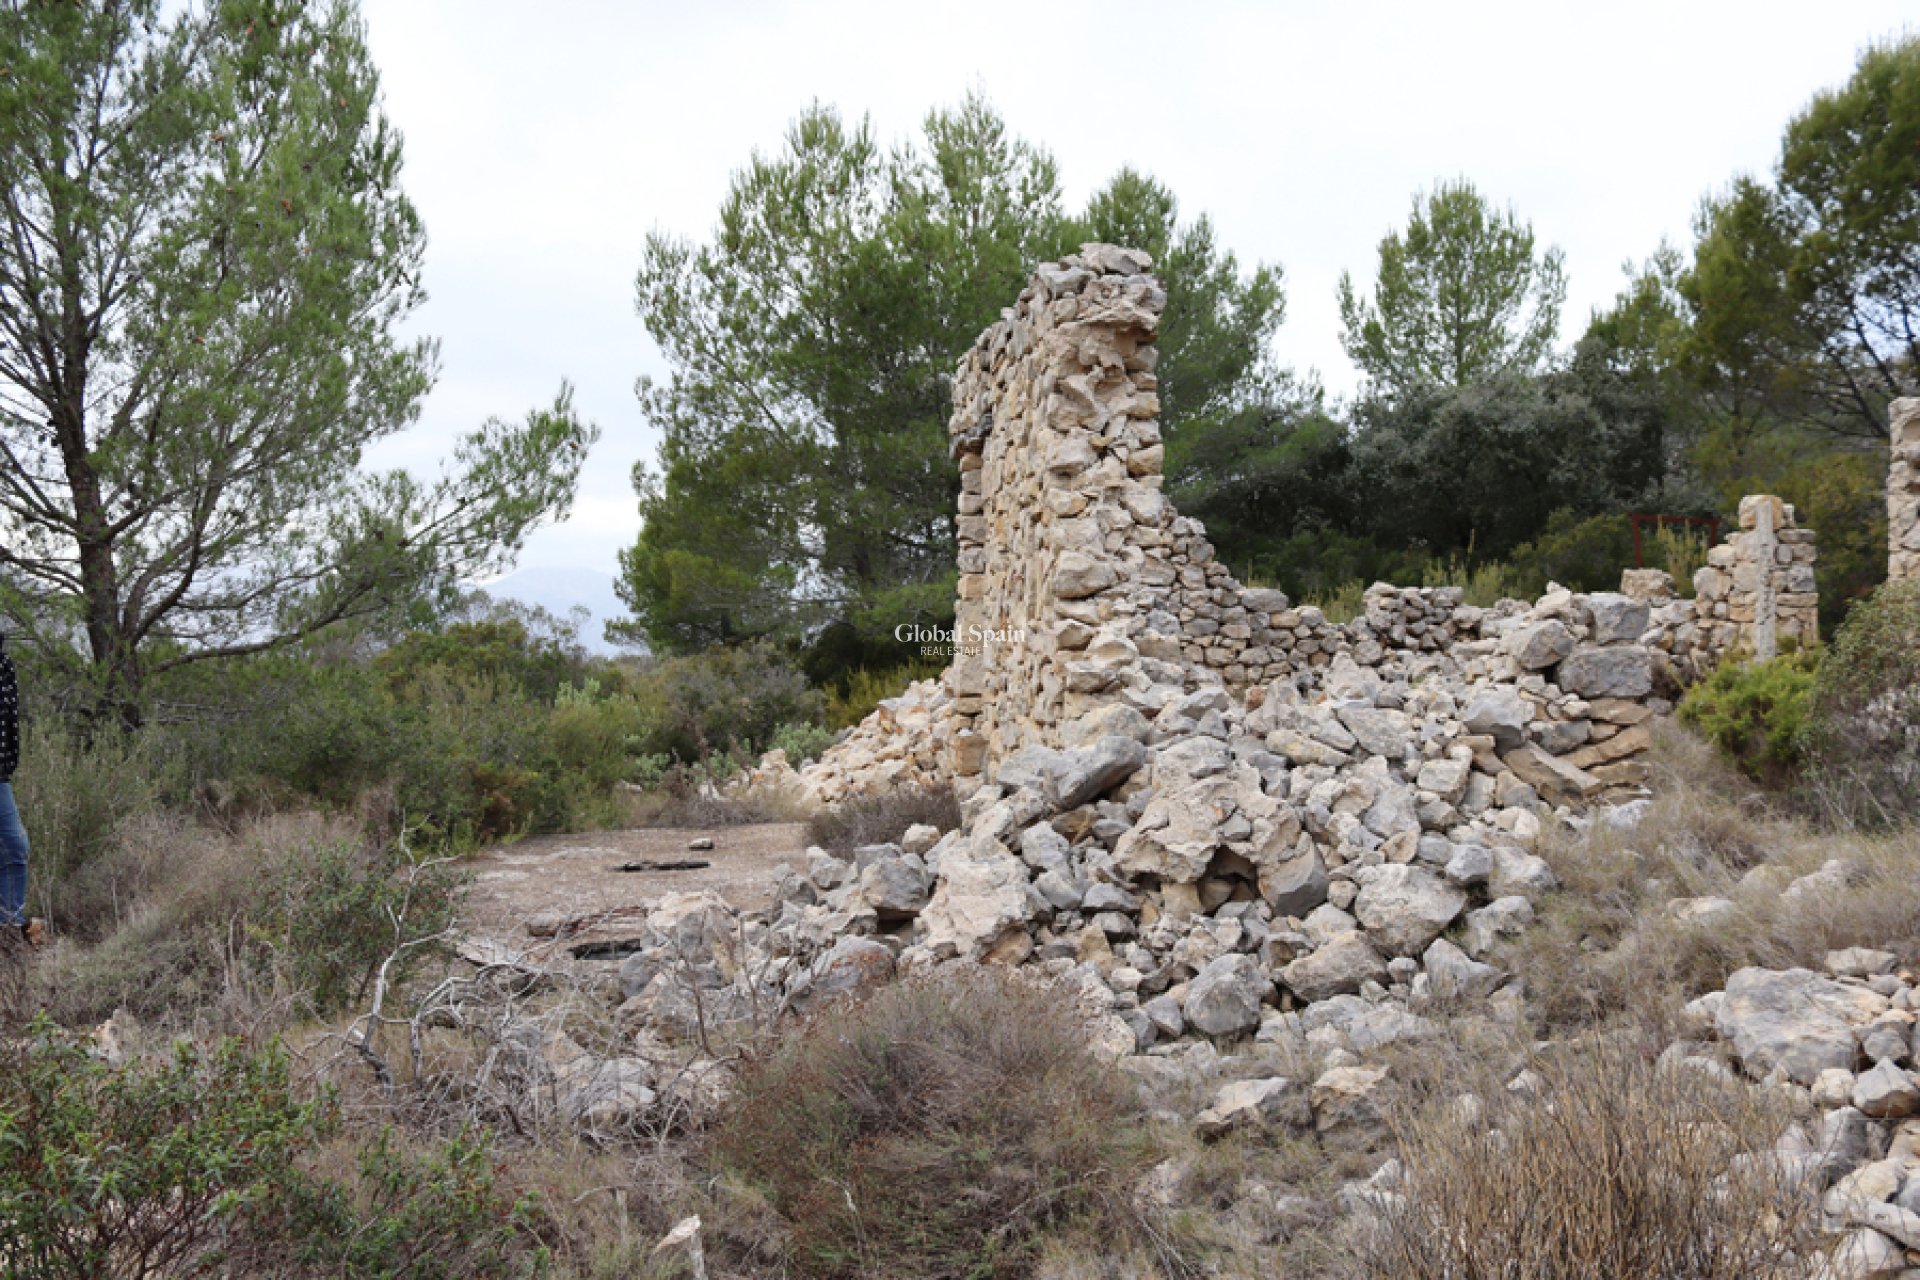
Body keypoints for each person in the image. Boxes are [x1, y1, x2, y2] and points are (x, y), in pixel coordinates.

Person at [0, 634, 38, 946]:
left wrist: (8, 765)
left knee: (15, 845)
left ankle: (9, 929)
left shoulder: (3, 664)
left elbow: (10, 722)